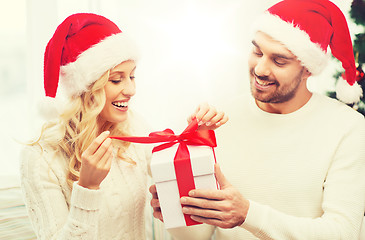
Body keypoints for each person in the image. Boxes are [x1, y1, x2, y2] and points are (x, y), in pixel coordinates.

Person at [150, 0, 365, 239]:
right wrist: (176, 210)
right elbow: (197, 236)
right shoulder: (218, 120)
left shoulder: (348, 128)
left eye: (279, 60)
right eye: (257, 52)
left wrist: (247, 214)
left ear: (307, 68)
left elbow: (342, 233)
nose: (260, 69)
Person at [20, 13, 228, 240]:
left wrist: (195, 139)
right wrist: (88, 188)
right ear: (86, 88)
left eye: (132, 76)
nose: (131, 90)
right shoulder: (40, 158)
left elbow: (187, 201)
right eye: (117, 79)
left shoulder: (133, 126)